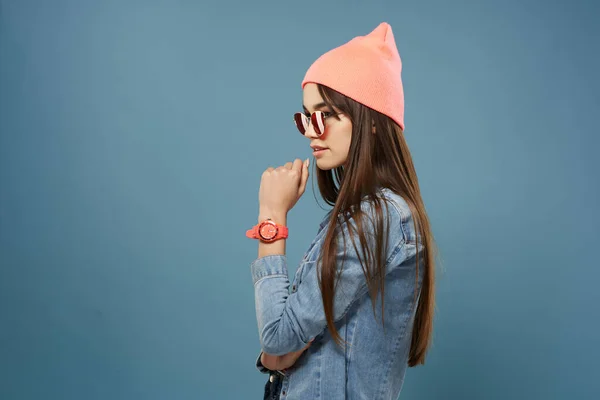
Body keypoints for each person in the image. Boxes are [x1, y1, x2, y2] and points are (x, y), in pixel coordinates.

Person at [245, 21, 437, 400]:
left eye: (326, 114)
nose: (311, 131)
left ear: (372, 121)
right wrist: (277, 355)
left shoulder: (378, 219)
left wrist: (271, 216)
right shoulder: (360, 216)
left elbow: (279, 340)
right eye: (305, 116)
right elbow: (282, 347)